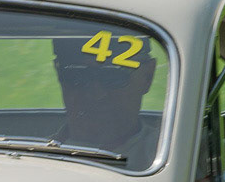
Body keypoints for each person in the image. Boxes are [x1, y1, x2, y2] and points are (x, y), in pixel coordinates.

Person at [51, 36, 159, 165]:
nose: (97, 95)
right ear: (59, 75)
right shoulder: (29, 154)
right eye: (76, 76)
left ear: (147, 76)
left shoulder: (176, 158)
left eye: (113, 76)